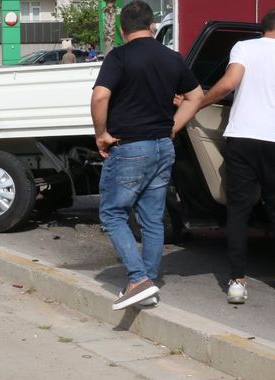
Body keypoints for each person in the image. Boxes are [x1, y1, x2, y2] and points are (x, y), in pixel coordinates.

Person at [197, 8, 275, 303]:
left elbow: (229, 84)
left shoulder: (244, 47)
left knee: (238, 210)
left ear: (264, 28)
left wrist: (198, 103)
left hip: (241, 139)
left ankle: (237, 282)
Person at [91, 0, 203, 310]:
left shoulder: (119, 57)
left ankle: (138, 279)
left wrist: (101, 134)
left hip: (129, 147)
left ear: (122, 29)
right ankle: (148, 285)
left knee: (112, 214)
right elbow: (197, 97)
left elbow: (100, 96)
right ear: (152, 25)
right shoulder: (171, 58)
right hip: (162, 146)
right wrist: (174, 127)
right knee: (152, 218)